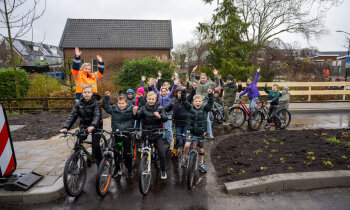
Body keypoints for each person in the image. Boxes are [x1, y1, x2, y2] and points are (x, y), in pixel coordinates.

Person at [60, 85, 103, 166]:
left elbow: (96, 116)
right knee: (78, 144)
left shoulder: (96, 103)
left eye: (88, 92)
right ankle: (74, 164)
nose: (87, 94)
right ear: (82, 93)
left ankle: (101, 163)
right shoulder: (78, 103)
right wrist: (66, 127)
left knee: (96, 145)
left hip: (96, 125)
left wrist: (93, 125)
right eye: (85, 92)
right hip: (84, 125)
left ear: (92, 93)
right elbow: (72, 116)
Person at [133, 91, 168, 179]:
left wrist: (159, 116)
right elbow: (137, 117)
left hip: (157, 133)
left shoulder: (160, 108)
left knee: (161, 151)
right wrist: (134, 113)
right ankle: (144, 164)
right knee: (144, 150)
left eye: (153, 99)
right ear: (146, 99)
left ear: (156, 99)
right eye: (149, 99)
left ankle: (163, 170)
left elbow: (165, 118)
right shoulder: (143, 108)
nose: (151, 101)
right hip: (146, 132)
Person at [180, 88, 214, 173]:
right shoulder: (190, 108)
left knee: (201, 149)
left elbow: (210, 103)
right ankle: (184, 157)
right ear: (193, 102)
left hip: (201, 132)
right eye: (196, 101)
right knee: (187, 145)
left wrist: (210, 95)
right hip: (191, 131)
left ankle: (201, 163)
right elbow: (184, 101)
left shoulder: (205, 109)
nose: (198, 103)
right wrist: (183, 92)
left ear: (202, 103)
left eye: (199, 101)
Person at [103, 92, 135, 178]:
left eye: (123, 103)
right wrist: (106, 97)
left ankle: (129, 169)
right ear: (117, 103)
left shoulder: (131, 109)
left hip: (127, 133)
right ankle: (117, 168)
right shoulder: (113, 109)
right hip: (117, 133)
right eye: (119, 103)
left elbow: (137, 115)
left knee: (127, 153)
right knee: (116, 152)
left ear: (126, 103)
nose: (121, 105)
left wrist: (136, 111)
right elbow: (106, 107)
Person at [165, 82, 197, 154]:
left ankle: (184, 151)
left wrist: (194, 88)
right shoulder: (173, 101)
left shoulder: (186, 100)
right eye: (179, 93)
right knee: (177, 138)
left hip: (186, 122)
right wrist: (161, 110)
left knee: (185, 137)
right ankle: (175, 149)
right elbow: (168, 108)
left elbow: (192, 94)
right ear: (176, 93)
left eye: (182, 93)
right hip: (177, 122)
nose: (180, 95)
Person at [190, 65, 220, 139]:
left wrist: (216, 75)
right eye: (201, 78)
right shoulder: (197, 83)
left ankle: (209, 133)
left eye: (204, 78)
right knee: (197, 117)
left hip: (206, 102)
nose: (203, 79)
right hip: (198, 102)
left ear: (206, 78)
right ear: (200, 78)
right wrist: (193, 71)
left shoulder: (209, 83)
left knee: (206, 118)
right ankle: (198, 132)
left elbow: (217, 83)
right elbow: (192, 78)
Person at [151, 77, 178, 149]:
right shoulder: (159, 96)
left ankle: (171, 141)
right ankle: (162, 140)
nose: (163, 92)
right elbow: (155, 90)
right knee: (160, 128)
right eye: (162, 91)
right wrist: (152, 85)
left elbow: (173, 91)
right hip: (160, 114)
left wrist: (175, 85)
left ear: (167, 91)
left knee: (168, 128)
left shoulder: (169, 96)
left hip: (168, 114)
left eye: (165, 91)